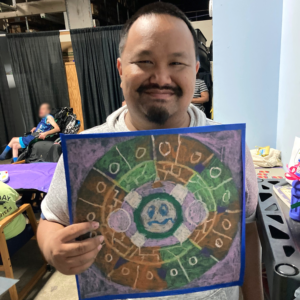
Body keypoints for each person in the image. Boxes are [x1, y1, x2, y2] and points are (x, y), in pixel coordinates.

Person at [37, 3, 263, 300]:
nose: (161, 77)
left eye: (176, 63)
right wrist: (53, 247)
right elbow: (51, 219)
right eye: (144, 61)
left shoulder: (229, 148)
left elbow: (246, 231)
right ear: (121, 70)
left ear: (194, 71)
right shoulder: (85, 152)